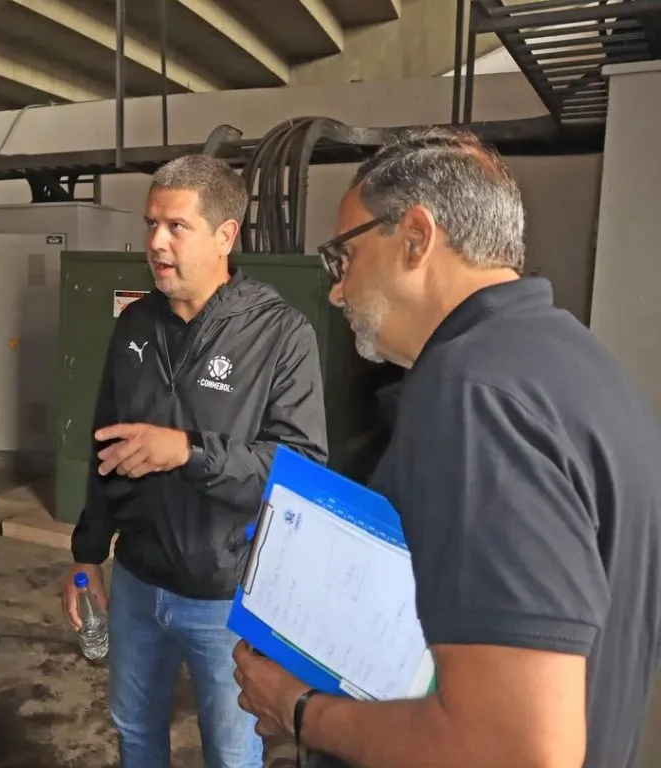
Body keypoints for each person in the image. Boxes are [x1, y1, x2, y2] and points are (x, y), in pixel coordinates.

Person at [232, 127, 661, 768]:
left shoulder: (473, 394)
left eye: (341, 259)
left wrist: (299, 710)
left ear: (415, 237)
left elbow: (519, 751)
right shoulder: (576, 364)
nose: (337, 291)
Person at [60, 154, 329, 768]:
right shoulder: (134, 325)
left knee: (232, 755)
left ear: (225, 236)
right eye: (152, 223)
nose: (156, 242)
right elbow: (106, 447)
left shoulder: (280, 334)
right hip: (136, 584)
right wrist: (85, 554)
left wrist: (186, 451)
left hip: (226, 600)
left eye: (176, 227)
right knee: (134, 734)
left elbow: (301, 471)